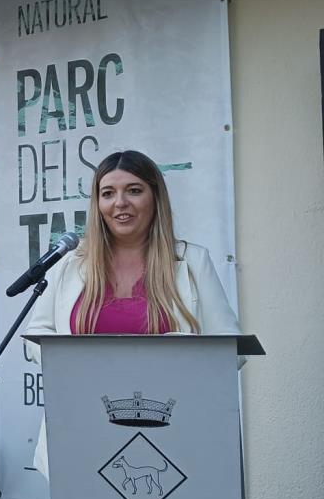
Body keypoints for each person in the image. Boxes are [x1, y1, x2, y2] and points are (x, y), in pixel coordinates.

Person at [24, 149, 240, 473]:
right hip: (80, 430)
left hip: (171, 434)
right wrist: (75, 362)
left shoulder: (192, 261)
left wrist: (179, 357)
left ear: (156, 197)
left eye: (134, 190)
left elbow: (233, 349)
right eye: (107, 193)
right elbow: (35, 336)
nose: (120, 203)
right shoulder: (70, 264)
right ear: (97, 204)